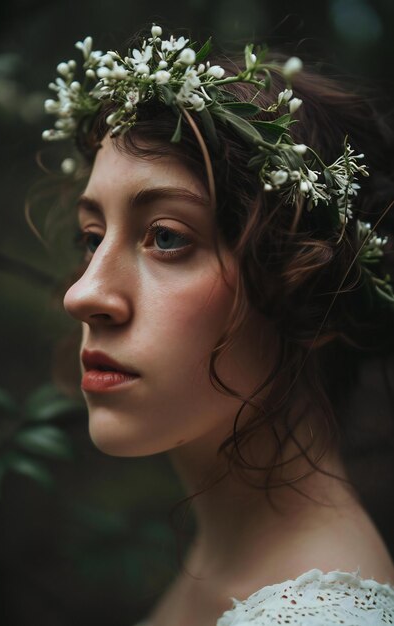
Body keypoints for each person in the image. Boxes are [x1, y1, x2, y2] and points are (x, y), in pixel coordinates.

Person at [42, 25, 394, 625]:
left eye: (168, 237)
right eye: (92, 238)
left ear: (317, 294)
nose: (84, 294)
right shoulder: (230, 562)